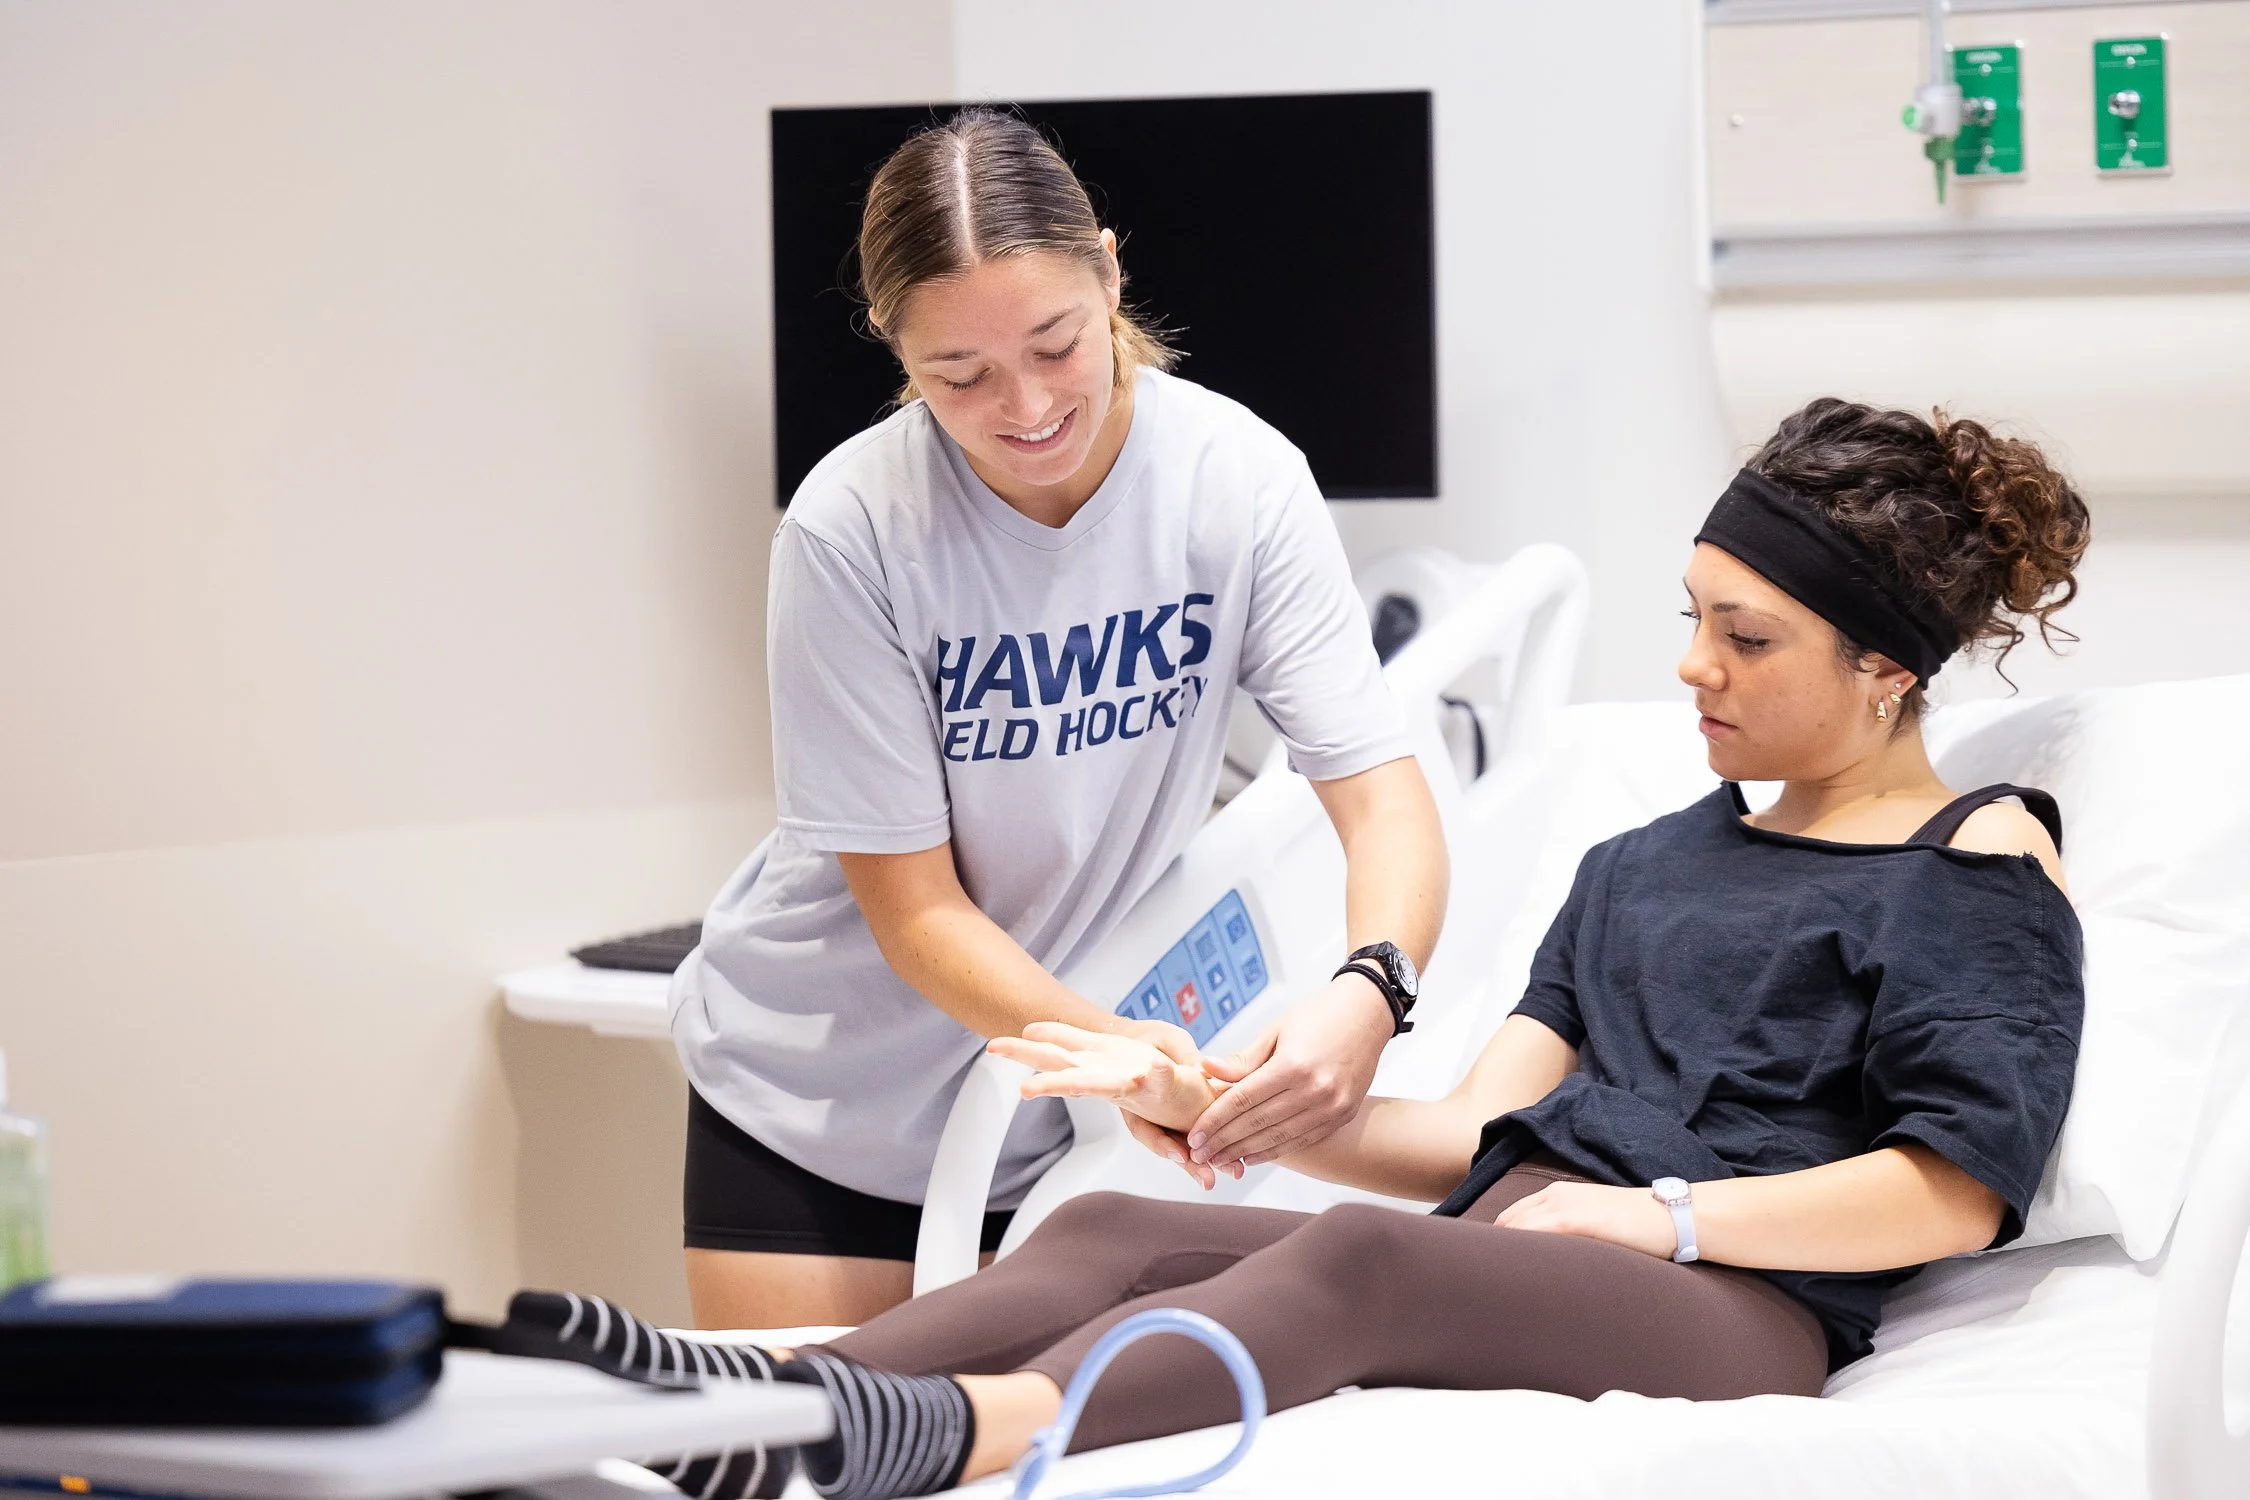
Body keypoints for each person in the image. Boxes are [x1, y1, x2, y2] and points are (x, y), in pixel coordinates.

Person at [544, 397, 2095, 1500]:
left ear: (1886, 674)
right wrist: (1237, 1098)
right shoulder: (1643, 861)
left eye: (1743, 637)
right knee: (1097, 1233)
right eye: (1690, 614)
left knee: (1350, 1261)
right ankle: (759, 1400)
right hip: (1511, 1248)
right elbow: (1477, 1139)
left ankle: (971, 1430)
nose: (1689, 665)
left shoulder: (1969, 861)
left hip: (1733, 1307)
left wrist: (1663, 1225)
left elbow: (1951, 1192)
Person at [671, 107, 1449, 1330]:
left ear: (1110, 269)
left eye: (1057, 343)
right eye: (958, 375)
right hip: (826, 1100)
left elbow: (1381, 791)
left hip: (1060, 1109)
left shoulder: (1231, 480)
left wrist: (1374, 988)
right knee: (813, 1461)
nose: (1025, 405)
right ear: (892, 343)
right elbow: (917, 913)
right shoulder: (854, 528)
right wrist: (1136, 1065)